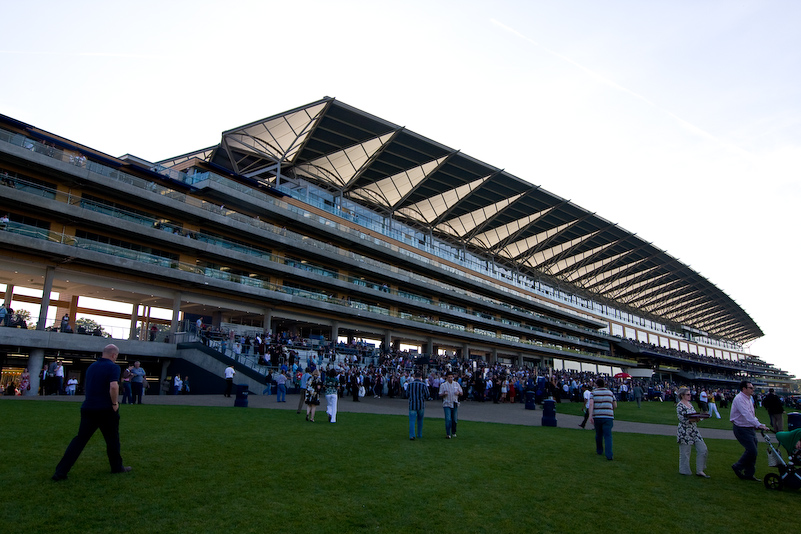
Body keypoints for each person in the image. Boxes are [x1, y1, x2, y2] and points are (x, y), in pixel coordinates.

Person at [52, 344, 132, 481]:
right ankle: (116, 467)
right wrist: (114, 403)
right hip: (106, 408)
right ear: (114, 355)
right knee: (112, 440)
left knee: (79, 440)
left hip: (88, 407)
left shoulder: (92, 367)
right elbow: (113, 386)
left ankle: (60, 472)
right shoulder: (113, 367)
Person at [730, 380, 767, 481]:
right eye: (750, 388)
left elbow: (751, 415)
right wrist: (758, 425)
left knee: (753, 452)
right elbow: (746, 414)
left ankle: (749, 474)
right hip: (741, 428)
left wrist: (758, 425)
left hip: (749, 428)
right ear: (744, 389)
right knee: (752, 450)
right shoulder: (739, 399)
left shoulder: (749, 399)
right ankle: (738, 466)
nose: (753, 389)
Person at [676, 387, 709, 478]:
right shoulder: (680, 405)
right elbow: (682, 419)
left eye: (690, 394)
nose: (690, 396)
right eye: (688, 394)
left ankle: (700, 470)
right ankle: (684, 470)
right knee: (685, 452)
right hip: (684, 431)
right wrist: (693, 419)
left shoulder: (690, 404)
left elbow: (694, 416)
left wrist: (698, 418)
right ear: (682, 395)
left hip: (694, 430)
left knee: (703, 449)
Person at [588, 377, 617, 461]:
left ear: (596, 384)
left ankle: (599, 450)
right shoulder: (610, 393)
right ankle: (609, 455)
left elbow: (591, 404)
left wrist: (590, 415)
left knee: (598, 434)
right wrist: (610, 410)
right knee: (608, 436)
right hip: (608, 416)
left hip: (598, 416)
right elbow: (615, 405)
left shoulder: (593, 393)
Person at [438, 371, 463, 439]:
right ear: (446, 377)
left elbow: (461, 393)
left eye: (451, 377)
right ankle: (448, 433)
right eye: (449, 377)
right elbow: (440, 394)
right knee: (448, 419)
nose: (450, 378)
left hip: (454, 402)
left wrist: (458, 393)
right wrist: (443, 394)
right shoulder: (443, 385)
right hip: (447, 403)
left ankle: (453, 432)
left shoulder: (456, 384)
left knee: (454, 419)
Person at [407, 370, 429, 440]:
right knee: (420, 420)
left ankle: (412, 435)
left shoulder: (410, 384)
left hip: (412, 404)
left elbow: (406, 394)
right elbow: (427, 394)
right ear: (420, 377)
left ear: (414, 377)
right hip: (420, 404)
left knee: (412, 420)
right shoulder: (423, 385)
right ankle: (419, 434)